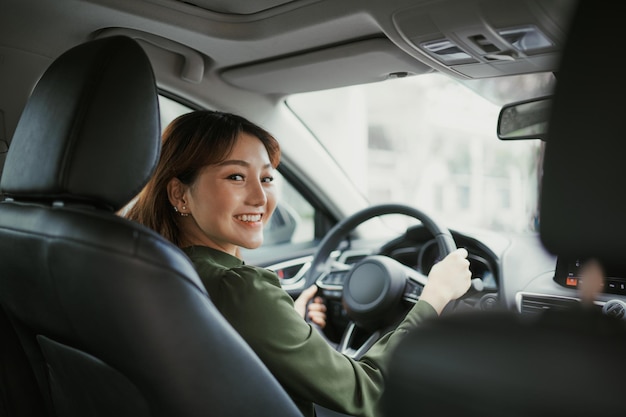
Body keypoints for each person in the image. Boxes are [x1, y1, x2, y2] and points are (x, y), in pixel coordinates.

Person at [125, 110, 472, 417]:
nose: (260, 198)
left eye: (266, 178)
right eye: (235, 176)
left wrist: (290, 326)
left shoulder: (149, 266)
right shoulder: (240, 288)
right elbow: (372, 393)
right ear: (179, 194)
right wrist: (434, 298)